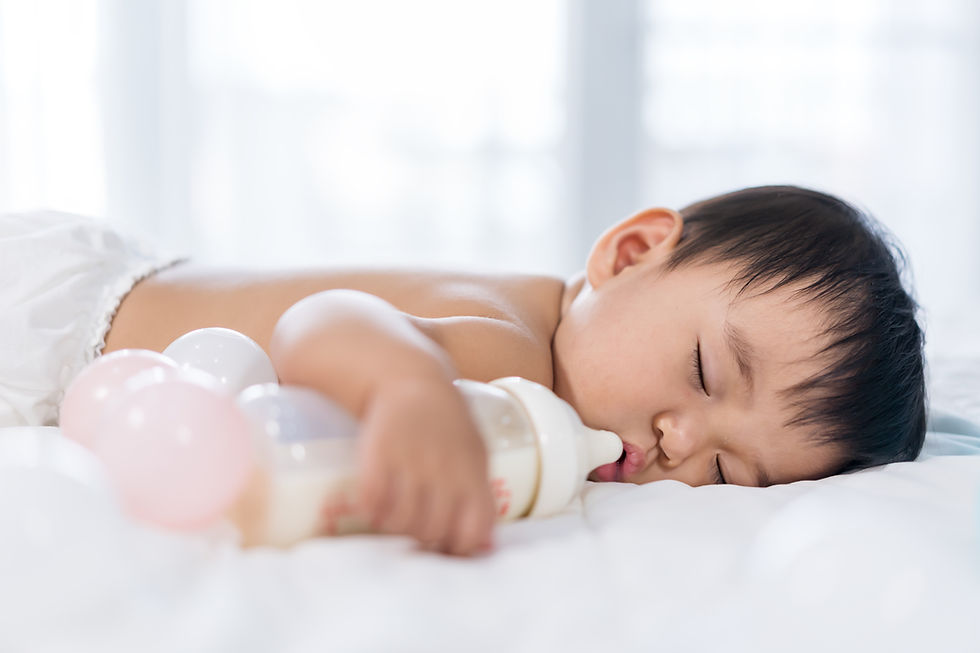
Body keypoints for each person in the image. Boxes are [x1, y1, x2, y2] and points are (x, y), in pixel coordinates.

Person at [0, 185, 926, 556]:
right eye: (702, 370)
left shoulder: (552, 358)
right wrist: (409, 391)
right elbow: (322, 324)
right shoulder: (508, 349)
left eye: (729, 470)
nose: (679, 441)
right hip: (48, 329)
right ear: (632, 250)